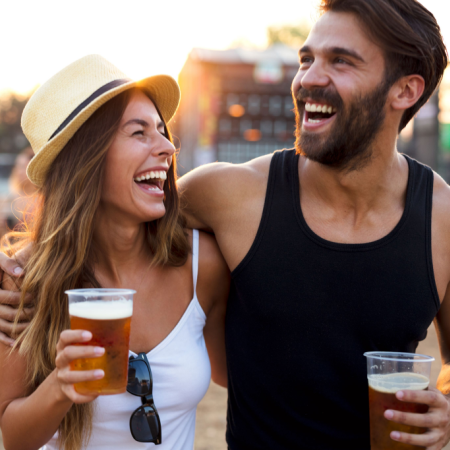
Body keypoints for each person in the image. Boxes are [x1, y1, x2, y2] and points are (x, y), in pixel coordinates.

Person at [2, 0, 450, 449]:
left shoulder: (442, 220)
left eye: (341, 61)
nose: (309, 77)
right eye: (306, 59)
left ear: (406, 91)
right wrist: (12, 269)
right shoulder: (227, 195)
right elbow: (94, 223)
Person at [0, 54, 229, 450]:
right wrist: (60, 385)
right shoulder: (23, 280)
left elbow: (235, 374)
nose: (167, 147)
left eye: (161, 130)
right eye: (139, 133)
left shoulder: (202, 264)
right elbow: (13, 437)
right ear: (85, 161)